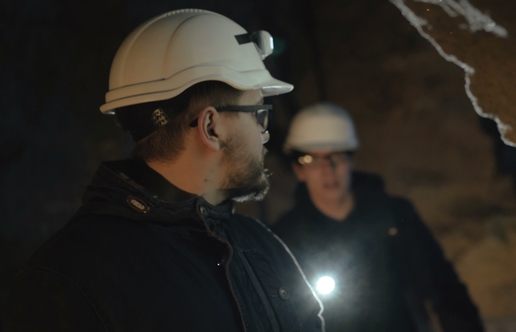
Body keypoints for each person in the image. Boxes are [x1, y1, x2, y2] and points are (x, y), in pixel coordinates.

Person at [4, 9, 324, 332]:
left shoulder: (261, 246)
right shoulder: (70, 278)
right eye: (257, 113)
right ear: (211, 126)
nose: (263, 133)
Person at [271, 102, 484, 332]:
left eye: (337, 156)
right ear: (298, 170)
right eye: (312, 160)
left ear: (352, 160)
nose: (328, 170)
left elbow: (444, 288)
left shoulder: (394, 215)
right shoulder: (285, 238)